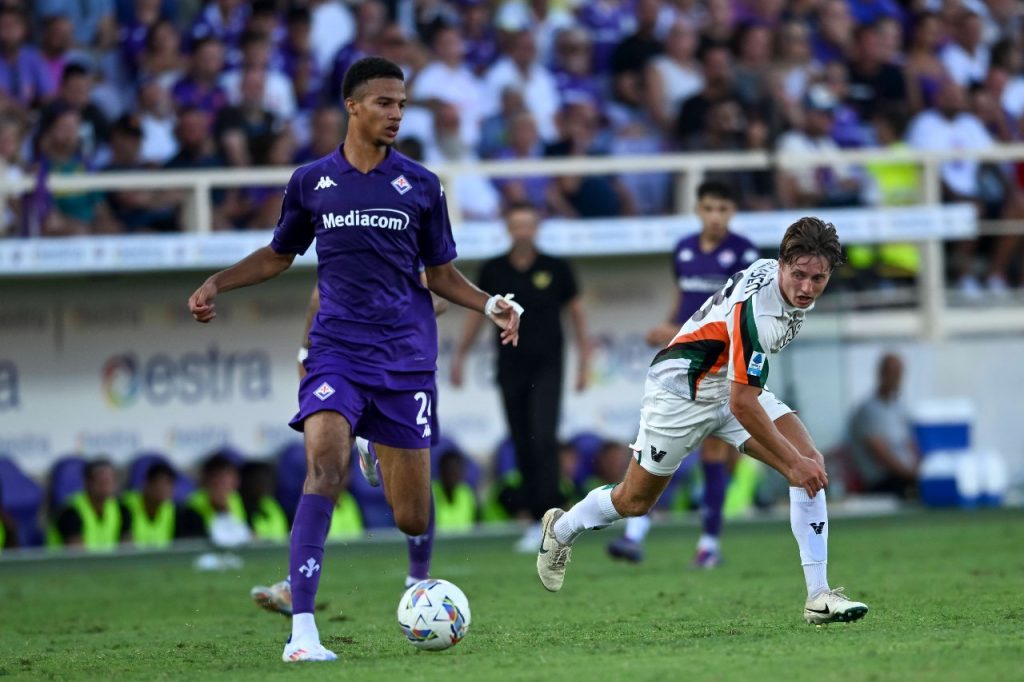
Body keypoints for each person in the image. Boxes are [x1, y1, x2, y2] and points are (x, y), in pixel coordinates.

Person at [188, 56, 520, 663]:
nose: (396, 113)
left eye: (402, 104)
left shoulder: (420, 185)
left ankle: (377, 455)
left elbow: (442, 274)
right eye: (385, 103)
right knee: (323, 467)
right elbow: (277, 255)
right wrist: (217, 282)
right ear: (354, 106)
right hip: (337, 351)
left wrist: (488, 304)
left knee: (412, 517)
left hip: (405, 358)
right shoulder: (312, 181)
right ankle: (304, 634)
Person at [537, 217, 870, 627]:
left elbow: (742, 394)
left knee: (810, 464)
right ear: (782, 264)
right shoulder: (760, 317)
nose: (806, 288)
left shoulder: (775, 273)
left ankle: (818, 596)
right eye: (798, 275)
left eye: (817, 279)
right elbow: (744, 404)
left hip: (729, 385)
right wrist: (791, 463)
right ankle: (562, 528)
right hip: (680, 393)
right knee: (635, 502)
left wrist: (797, 464)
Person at [250, 278, 450, 616]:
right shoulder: (344, 245)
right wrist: (304, 352)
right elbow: (318, 292)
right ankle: (295, 586)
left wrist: (392, 315)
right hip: (344, 368)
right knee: (323, 473)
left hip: (400, 373)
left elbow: (443, 293)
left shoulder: (403, 241)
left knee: (407, 502)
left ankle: (417, 576)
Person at [608, 180, 759, 567]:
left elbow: (742, 318)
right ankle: (635, 535)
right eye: (709, 208)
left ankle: (708, 543)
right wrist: (668, 327)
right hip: (684, 362)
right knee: (661, 447)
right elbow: (685, 302)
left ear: (733, 213)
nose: (715, 217)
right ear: (698, 210)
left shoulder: (745, 254)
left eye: (723, 209)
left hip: (721, 367)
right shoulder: (684, 250)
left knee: (711, 451)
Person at [450, 200, 588, 552]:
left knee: (544, 438)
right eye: (517, 224)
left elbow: (577, 315)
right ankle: (534, 520)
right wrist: (461, 356)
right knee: (522, 441)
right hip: (510, 367)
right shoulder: (493, 269)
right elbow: (476, 315)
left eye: (529, 224)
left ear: (537, 227)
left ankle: (555, 522)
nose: (523, 230)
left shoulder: (556, 267)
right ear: (507, 228)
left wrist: (586, 360)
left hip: (547, 367)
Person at [848, 354, 920, 498]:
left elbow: (911, 444)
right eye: (892, 372)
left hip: (905, 477)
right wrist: (911, 475)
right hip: (883, 482)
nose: (896, 378)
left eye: (899, 373)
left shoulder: (899, 407)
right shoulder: (867, 410)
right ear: (881, 373)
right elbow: (881, 454)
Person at [49, 458, 129, 551]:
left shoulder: (122, 510)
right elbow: (77, 558)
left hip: (108, 565)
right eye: (101, 481)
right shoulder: (71, 512)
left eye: (109, 480)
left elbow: (128, 552)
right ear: (87, 483)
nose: (106, 486)